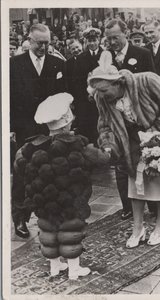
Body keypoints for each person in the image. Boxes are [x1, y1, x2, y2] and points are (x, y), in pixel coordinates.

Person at [87, 51, 160, 248]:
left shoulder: (146, 81)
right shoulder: (103, 98)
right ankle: (138, 228)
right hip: (132, 137)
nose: (102, 96)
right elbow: (105, 125)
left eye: (105, 91)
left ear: (118, 83)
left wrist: (156, 132)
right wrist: (108, 144)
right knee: (135, 181)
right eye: (99, 92)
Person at [13, 92, 110, 278]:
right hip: (71, 202)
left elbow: (18, 165)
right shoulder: (78, 144)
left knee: (48, 230)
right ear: (67, 120)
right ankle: (74, 269)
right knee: (70, 230)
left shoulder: (31, 147)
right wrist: (107, 148)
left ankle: (55, 267)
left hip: (43, 201)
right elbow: (102, 159)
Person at [10, 23, 68, 238]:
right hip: (24, 127)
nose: (43, 47)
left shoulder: (58, 64)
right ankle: (20, 218)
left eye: (47, 43)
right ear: (29, 40)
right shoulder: (14, 64)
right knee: (23, 173)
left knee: (50, 174)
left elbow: (64, 96)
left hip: (51, 130)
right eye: (39, 43)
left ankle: (48, 218)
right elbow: (7, 99)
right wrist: (11, 129)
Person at [104, 18, 156, 220]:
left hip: (139, 118)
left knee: (146, 160)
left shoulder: (141, 54)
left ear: (125, 34)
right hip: (116, 120)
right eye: (108, 39)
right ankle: (126, 206)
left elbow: (151, 84)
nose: (112, 42)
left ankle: (153, 205)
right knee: (120, 164)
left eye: (115, 37)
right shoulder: (105, 56)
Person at [73, 28, 103, 145]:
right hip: (86, 101)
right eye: (89, 41)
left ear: (99, 40)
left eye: (94, 40)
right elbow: (77, 81)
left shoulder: (106, 54)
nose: (92, 43)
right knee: (88, 128)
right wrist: (86, 95)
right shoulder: (81, 58)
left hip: (102, 99)